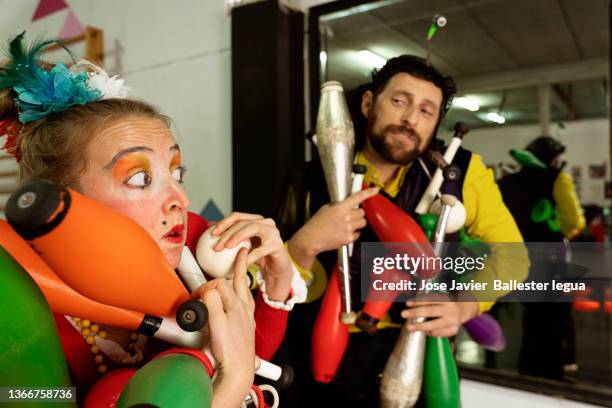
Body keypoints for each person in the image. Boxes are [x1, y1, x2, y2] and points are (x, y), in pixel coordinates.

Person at [0, 32, 305, 407]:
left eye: (177, 173)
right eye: (140, 179)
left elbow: (245, 352)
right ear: (62, 199)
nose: (180, 199)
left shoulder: (191, 241)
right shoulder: (16, 306)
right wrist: (228, 389)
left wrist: (277, 281)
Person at [277, 55, 529, 406]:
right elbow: (268, 285)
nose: (411, 119)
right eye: (399, 101)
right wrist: (303, 246)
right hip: (318, 372)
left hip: (418, 364)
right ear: (368, 103)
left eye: (427, 111)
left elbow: (514, 256)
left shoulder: (463, 173)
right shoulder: (304, 181)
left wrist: (464, 306)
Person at [498, 136, 586, 380]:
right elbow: (574, 222)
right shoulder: (557, 179)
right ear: (553, 159)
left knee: (533, 316)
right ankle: (553, 372)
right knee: (555, 318)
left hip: (521, 258)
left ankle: (528, 368)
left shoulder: (507, 182)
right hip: (552, 260)